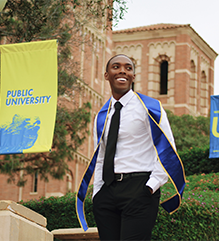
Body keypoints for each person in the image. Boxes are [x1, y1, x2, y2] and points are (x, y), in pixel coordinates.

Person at [76, 54, 186, 241]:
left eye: (128, 68)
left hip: (139, 188)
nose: (122, 71)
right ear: (106, 75)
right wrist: (98, 193)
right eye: (116, 67)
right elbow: (101, 155)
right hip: (107, 193)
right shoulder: (102, 115)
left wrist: (150, 186)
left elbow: (168, 151)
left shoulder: (150, 107)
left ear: (133, 76)